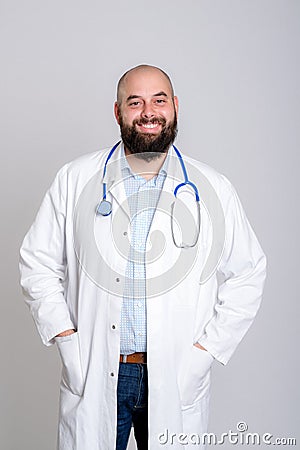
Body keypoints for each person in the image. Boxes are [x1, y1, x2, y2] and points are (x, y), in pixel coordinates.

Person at [19, 64, 266, 450]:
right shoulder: (75, 179)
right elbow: (38, 263)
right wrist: (65, 339)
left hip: (175, 371)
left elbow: (248, 274)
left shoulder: (212, 188)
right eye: (135, 102)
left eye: (159, 100)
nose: (148, 112)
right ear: (118, 112)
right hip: (97, 369)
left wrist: (205, 354)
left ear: (175, 107)